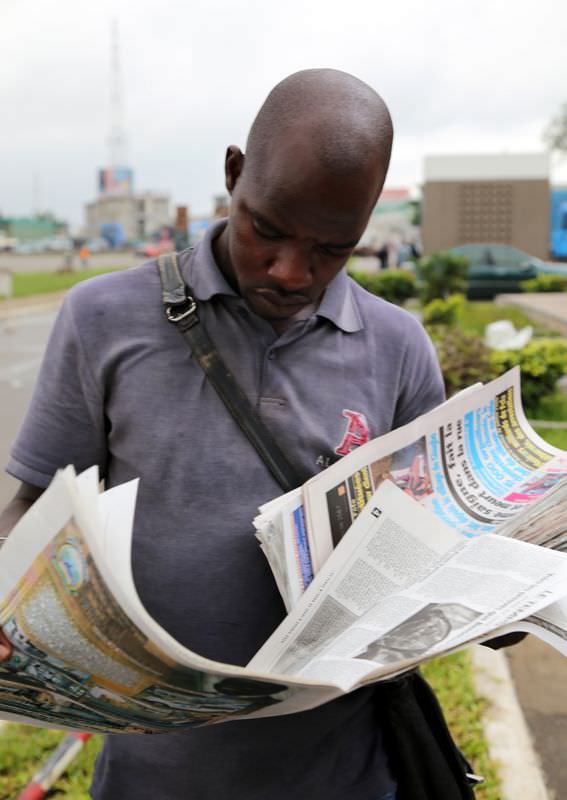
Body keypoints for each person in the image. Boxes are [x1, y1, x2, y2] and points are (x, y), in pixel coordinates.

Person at [0, 69, 450, 799]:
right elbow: (33, 508)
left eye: (332, 248)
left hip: (343, 769)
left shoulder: (399, 349)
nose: (289, 270)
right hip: (155, 774)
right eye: (265, 229)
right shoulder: (103, 319)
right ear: (233, 173)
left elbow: (433, 546)